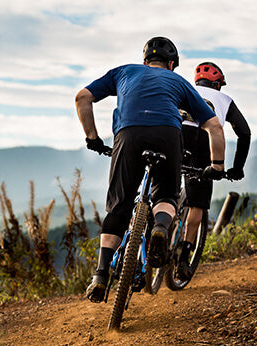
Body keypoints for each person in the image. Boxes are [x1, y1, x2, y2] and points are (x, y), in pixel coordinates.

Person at [75, 37, 226, 303]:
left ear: (145, 61)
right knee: (166, 195)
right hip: (167, 134)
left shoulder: (124, 71)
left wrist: (92, 138)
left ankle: (100, 274)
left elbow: (83, 97)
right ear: (171, 65)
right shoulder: (179, 82)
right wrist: (216, 166)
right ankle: (159, 227)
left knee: (119, 207)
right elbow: (214, 126)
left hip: (128, 135)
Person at [177, 61, 251, 280]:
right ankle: (183, 257)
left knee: (162, 189)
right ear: (218, 84)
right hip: (204, 141)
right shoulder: (225, 100)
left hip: (175, 135)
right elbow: (244, 134)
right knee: (196, 204)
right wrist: (237, 168)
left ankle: (153, 230)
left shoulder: (183, 88)